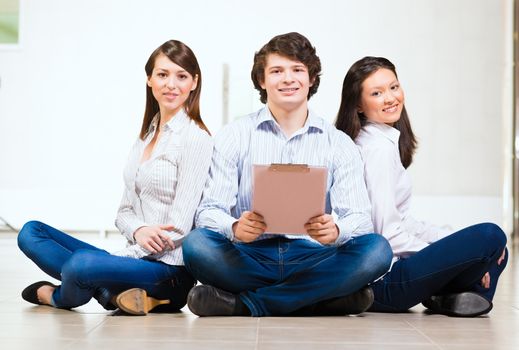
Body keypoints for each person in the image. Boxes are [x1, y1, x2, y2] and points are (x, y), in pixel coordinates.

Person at [181, 32, 392, 317]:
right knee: (197, 245)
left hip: (314, 256)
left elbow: (360, 219)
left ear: (312, 79)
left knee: (377, 250)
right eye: (277, 71)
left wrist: (336, 231)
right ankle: (318, 298)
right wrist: (234, 228)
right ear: (262, 80)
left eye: (297, 70)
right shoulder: (235, 135)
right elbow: (208, 210)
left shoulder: (338, 142)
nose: (288, 79)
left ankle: (248, 304)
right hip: (251, 256)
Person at [17, 40, 213, 315]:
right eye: (163, 74)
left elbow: (179, 229)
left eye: (181, 76)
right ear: (149, 79)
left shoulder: (196, 139)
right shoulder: (146, 137)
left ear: (194, 82)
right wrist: (137, 231)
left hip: (168, 272)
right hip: (134, 258)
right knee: (30, 232)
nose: (171, 84)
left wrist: (116, 258)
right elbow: (123, 212)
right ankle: (110, 292)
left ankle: (62, 297)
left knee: (80, 265)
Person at [335, 56, 508, 317]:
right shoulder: (376, 150)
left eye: (394, 87)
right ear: (359, 105)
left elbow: (403, 220)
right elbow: (387, 235)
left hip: (392, 276)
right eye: (377, 93)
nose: (391, 98)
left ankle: (446, 298)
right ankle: (457, 294)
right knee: (491, 237)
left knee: (496, 251)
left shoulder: (383, 141)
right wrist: (446, 257)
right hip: (384, 282)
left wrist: (447, 241)